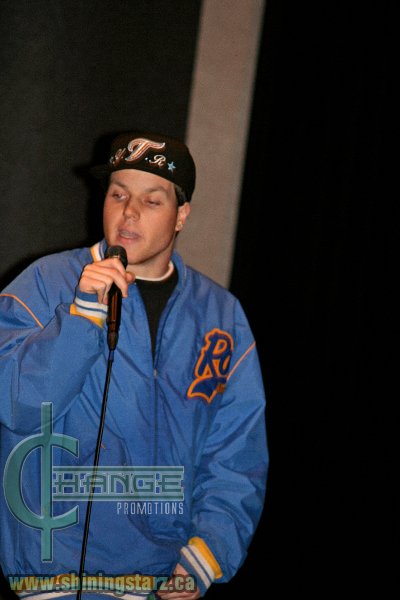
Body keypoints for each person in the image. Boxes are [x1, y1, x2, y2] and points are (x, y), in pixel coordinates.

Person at [0, 131, 268, 599]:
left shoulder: (221, 317)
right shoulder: (43, 284)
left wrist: (208, 554)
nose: (129, 212)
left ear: (181, 215)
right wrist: (82, 317)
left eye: (152, 200)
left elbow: (236, 455)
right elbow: (18, 407)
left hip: (162, 580)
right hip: (57, 576)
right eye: (118, 194)